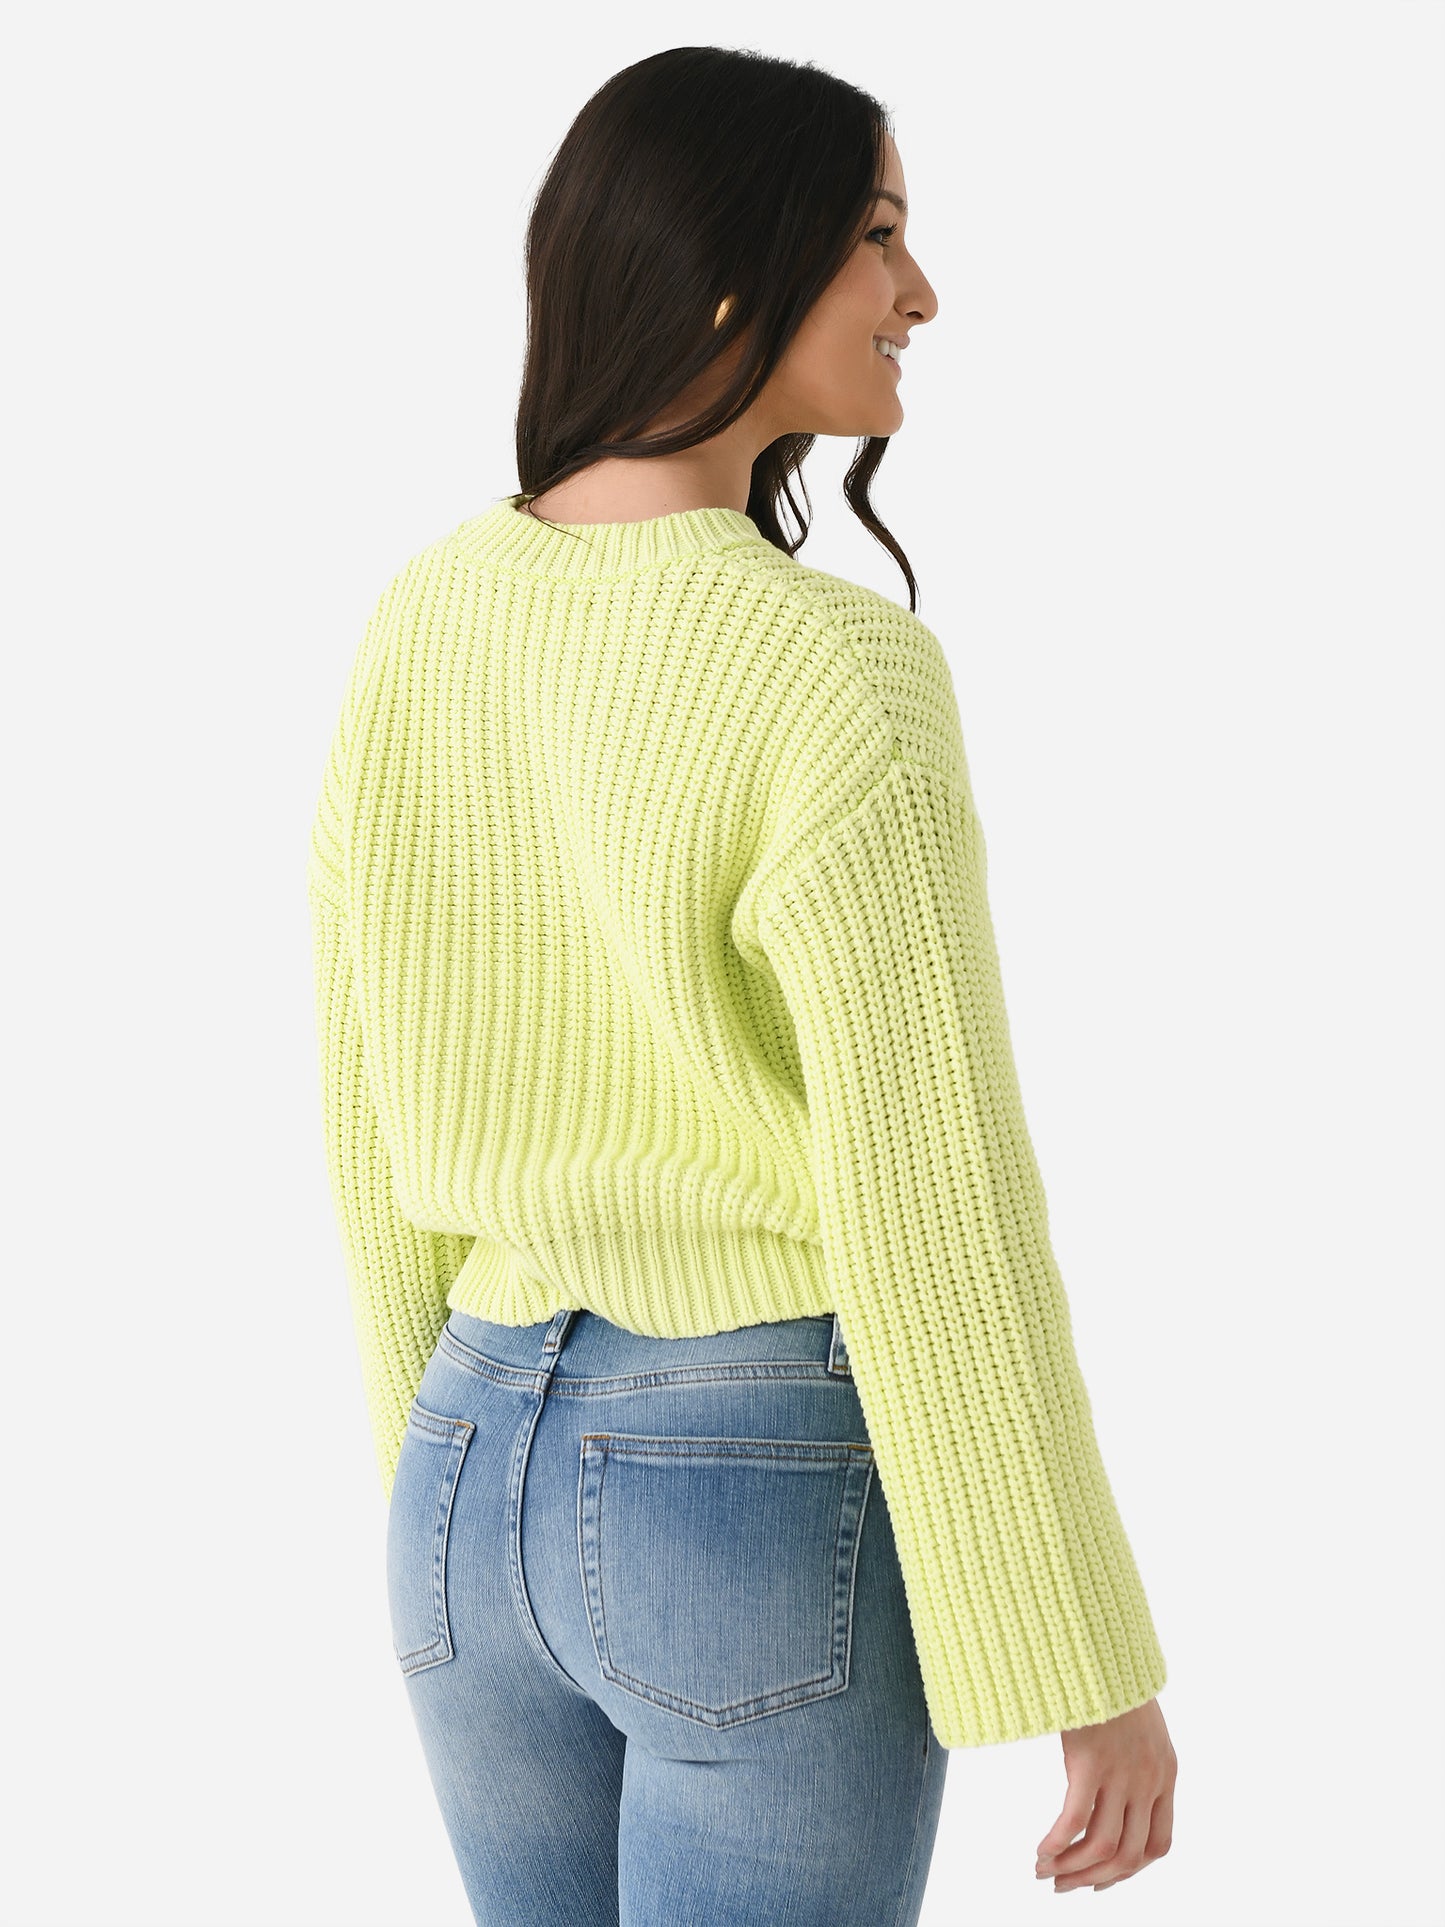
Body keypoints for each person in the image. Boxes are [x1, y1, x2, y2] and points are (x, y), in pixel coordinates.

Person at [306, 45, 1177, 1925]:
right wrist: (1083, 1658)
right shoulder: (831, 673)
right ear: (728, 270)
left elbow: (365, 1108)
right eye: (877, 237)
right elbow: (932, 1196)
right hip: (743, 1479)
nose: (920, 294)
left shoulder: (425, 614)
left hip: (461, 1463)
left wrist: (427, 1483)